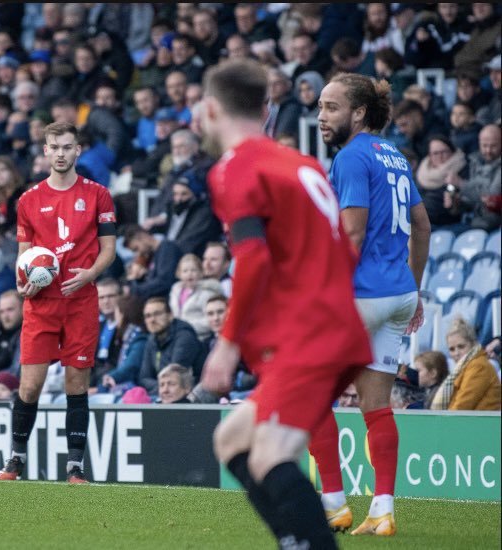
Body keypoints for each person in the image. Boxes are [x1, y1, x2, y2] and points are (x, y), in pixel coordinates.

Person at [199, 59, 372, 550]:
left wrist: (228, 346)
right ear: (268, 108)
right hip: (335, 326)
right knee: (231, 440)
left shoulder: (236, 168)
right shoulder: (302, 164)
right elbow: (343, 250)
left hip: (310, 335)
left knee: (269, 456)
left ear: (211, 110)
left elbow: (251, 261)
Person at [309, 72, 432, 536]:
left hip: (363, 295)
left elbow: (353, 233)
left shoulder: (352, 156)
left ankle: (334, 504)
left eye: (331, 107)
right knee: (376, 407)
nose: (321, 116)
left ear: (358, 112)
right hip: (397, 294)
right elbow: (422, 226)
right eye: (320, 107)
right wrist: (414, 287)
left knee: (309, 397)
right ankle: (382, 510)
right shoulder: (395, 155)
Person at [0, 121, 117, 484]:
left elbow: (109, 249)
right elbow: (24, 256)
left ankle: (75, 467)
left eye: (68, 146)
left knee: (76, 385)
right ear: (45, 151)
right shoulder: (28, 200)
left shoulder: (98, 194)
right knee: (29, 386)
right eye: (55, 147)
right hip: (42, 305)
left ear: (77, 149)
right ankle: (16, 459)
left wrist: (90, 273)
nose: (61, 153)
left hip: (80, 300)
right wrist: (25, 285)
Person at [430, 316, 501, 411]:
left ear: (473, 344)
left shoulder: (479, 366)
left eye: (461, 346)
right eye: (452, 349)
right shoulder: (463, 368)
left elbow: (462, 407)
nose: (456, 353)